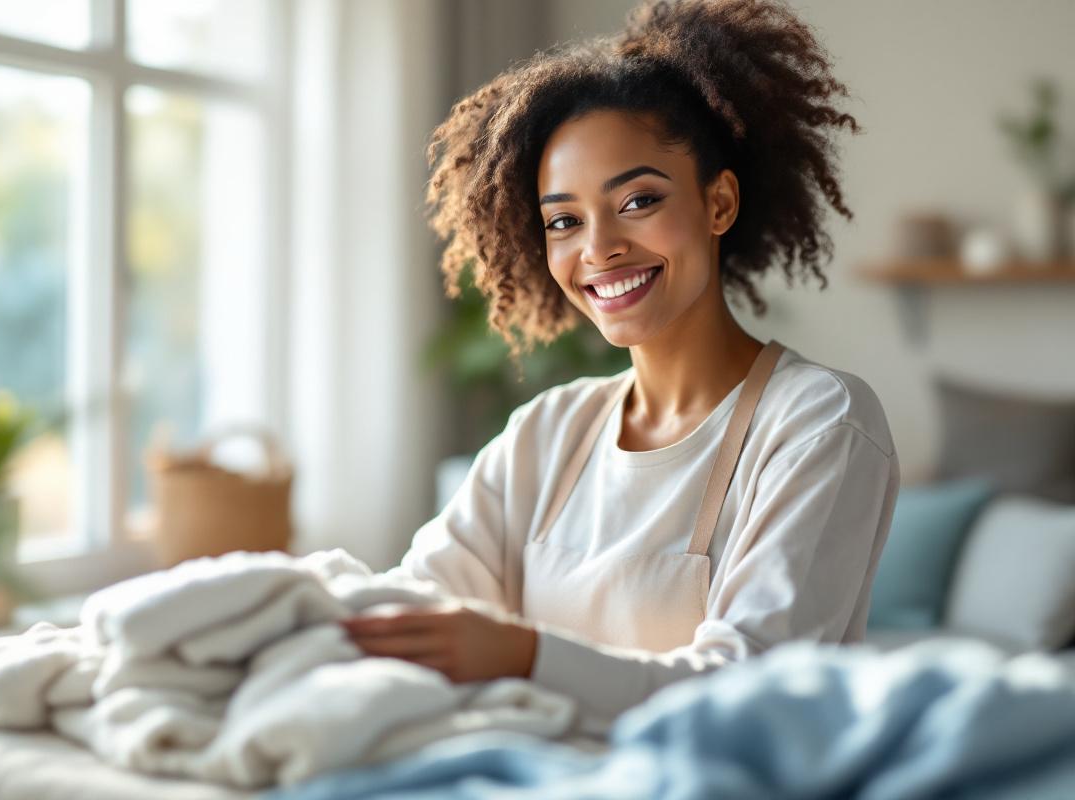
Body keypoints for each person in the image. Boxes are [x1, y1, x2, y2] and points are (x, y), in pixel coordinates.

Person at [341, 0, 900, 728]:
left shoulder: (820, 422)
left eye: (637, 200)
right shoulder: (548, 431)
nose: (598, 248)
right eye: (564, 220)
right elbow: (413, 602)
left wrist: (523, 655)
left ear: (719, 202)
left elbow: (751, 691)